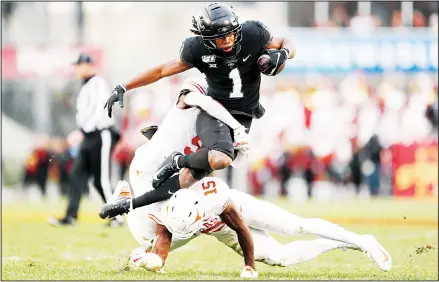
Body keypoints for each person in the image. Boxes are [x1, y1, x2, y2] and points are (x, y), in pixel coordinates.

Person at [103, 2, 296, 205]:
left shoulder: (252, 33)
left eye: (231, 34)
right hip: (215, 110)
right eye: (221, 38)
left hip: (244, 113)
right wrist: (124, 86)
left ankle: (134, 202)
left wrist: (282, 54)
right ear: (207, 38)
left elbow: (286, 42)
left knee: (190, 177)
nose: (228, 40)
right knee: (220, 158)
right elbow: (161, 71)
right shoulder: (197, 48)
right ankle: (174, 147)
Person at [109, 178, 392, 277]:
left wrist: (249, 266)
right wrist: (146, 261)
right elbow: (161, 256)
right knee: (283, 258)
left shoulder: (214, 198)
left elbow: (242, 229)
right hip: (223, 231)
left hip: (239, 212)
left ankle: (363, 241)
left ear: (198, 213)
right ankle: (348, 242)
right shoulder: (168, 215)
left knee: (297, 226)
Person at [99, 77, 250, 220]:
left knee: (180, 212)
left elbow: (232, 160)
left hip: (170, 171)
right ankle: (124, 198)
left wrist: (239, 144)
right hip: (148, 166)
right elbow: (202, 101)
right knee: (153, 220)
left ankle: (128, 202)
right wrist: (237, 127)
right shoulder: (196, 99)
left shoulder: (213, 123)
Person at [49, 53, 120, 227]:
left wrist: (81, 131)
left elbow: (99, 109)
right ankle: (70, 216)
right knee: (76, 175)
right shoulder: (86, 85)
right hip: (89, 136)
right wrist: (82, 131)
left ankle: (117, 217)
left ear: (90, 66)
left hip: (100, 134)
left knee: (101, 180)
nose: (77, 69)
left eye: (80, 65)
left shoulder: (98, 83)